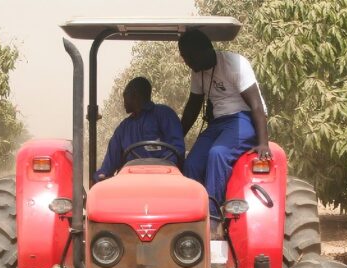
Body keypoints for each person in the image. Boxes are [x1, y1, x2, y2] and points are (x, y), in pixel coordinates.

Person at [178, 29, 270, 222]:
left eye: (188, 56)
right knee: (192, 163)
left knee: (218, 154)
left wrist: (264, 143)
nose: (186, 62)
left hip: (243, 118)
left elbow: (256, 105)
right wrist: (176, 138)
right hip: (218, 123)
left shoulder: (235, 64)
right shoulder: (198, 72)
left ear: (203, 52)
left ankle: (212, 219)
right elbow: (192, 108)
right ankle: (190, 217)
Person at [93, 77, 185, 183]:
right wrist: (99, 176)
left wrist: (161, 168)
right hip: (131, 182)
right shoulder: (123, 128)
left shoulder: (164, 114)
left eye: (125, 95)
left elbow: (177, 148)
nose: (123, 102)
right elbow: (111, 160)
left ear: (135, 95)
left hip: (164, 179)